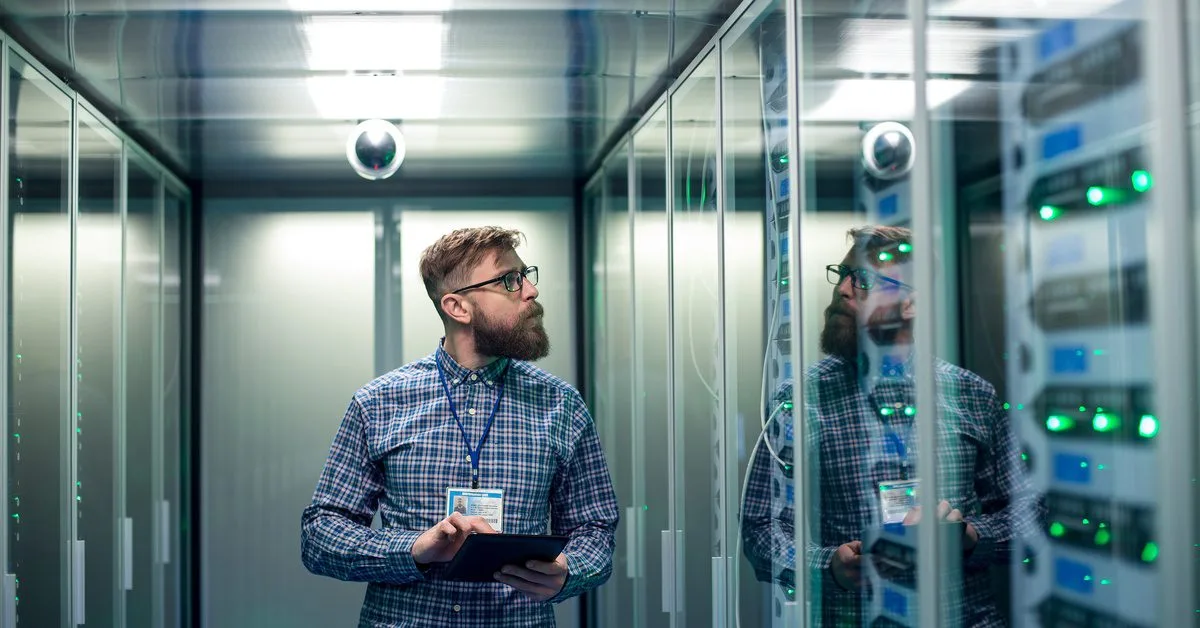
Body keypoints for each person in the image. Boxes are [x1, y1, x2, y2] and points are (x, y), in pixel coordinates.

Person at [302, 226, 620, 627]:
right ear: (458, 308)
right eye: (509, 280)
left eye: (526, 275)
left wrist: (568, 572)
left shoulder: (561, 404)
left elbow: (596, 529)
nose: (530, 291)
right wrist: (415, 548)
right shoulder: (379, 403)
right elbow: (320, 537)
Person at [741, 225, 1045, 626]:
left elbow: (1031, 514)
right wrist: (829, 566)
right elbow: (762, 527)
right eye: (843, 275)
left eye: (864, 280)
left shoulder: (971, 395)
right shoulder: (798, 400)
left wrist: (969, 538)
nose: (844, 291)